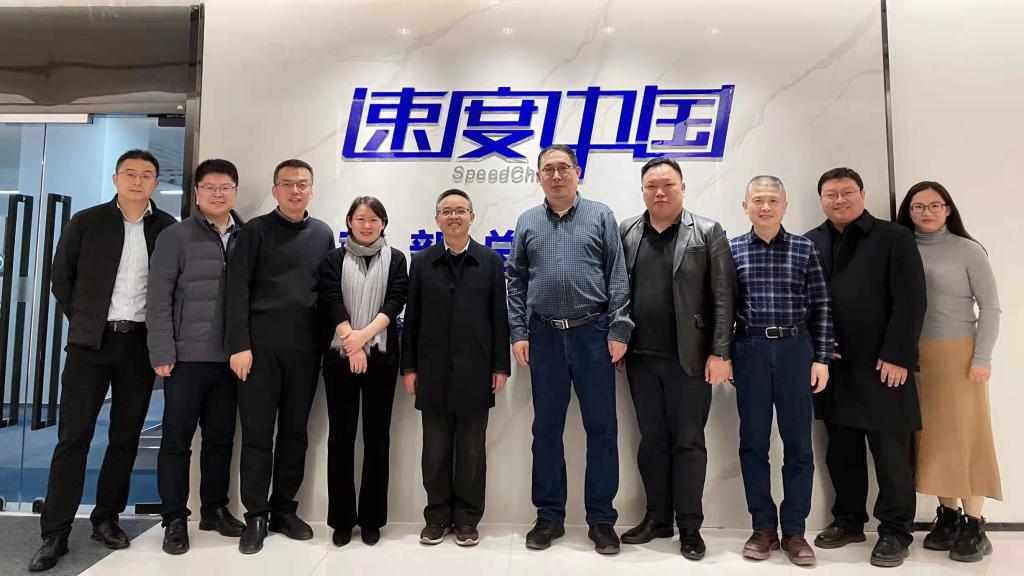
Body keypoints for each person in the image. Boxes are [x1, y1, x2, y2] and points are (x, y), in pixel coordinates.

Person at [29, 149, 177, 572]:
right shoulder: (87, 222)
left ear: (155, 183)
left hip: (138, 347)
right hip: (89, 346)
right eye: (130, 174)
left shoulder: (168, 229)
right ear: (116, 179)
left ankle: (106, 518)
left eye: (146, 175)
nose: (137, 181)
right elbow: (61, 277)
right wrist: (86, 320)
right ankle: (55, 532)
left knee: (125, 437)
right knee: (73, 437)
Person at [507, 144, 632, 555]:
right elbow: (515, 281)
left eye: (564, 167)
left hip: (594, 334)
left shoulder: (600, 215)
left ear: (577, 172)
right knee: (546, 429)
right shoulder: (527, 221)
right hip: (543, 336)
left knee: (602, 429)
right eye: (549, 169)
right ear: (538, 177)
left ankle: (601, 519)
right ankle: (549, 516)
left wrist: (619, 329)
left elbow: (617, 276)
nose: (557, 175)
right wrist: (518, 331)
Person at [805, 167, 926, 568]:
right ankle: (848, 520)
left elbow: (910, 300)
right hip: (834, 366)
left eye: (847, 193)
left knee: (891, 452)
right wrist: (818, 348)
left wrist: (899, 354)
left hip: (883, 363)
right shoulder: (811, 242)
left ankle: (895, 530)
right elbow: (805, 300)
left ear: (861, 194)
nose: (839, 200)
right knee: (842, 450)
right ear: (821, 200)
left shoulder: (894, 237)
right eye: (831, 194)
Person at [618, 157, 735, 560]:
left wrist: (721, 351)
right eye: (651, 186)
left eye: (668, 185)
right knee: (651, 441)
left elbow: (724, 297)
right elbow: (617, 292)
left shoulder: (706, 231)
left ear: (682, 188)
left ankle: (689, 526)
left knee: (688, 442)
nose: (660, 192)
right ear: (642, 191)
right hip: (640, 359)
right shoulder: (627, 231)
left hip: (690, 359)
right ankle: (656, 518)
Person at [226, 159, 334, 554]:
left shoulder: (322, 234)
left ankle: (284, 509)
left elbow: (328, 292)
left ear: (312, 190)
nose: (295, 190)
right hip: (258, 353)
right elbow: (236, 289)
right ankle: (256, 514)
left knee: (294, 435)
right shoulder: (254, 232)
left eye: (302, 184)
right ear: (275, 190)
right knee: (257, 435)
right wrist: (239, 345)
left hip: (304, 353)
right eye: (287, 184)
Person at [728, 176, 832, 566]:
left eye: (773, 200)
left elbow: (822, 305)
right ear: (746, 207)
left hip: (795, 350)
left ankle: (794, 532)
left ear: (784, 206)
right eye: (758, 200)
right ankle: (763, 528)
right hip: (750, 350)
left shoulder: (805, 249)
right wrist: (725, 355)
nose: (765, 207)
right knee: (753, 443)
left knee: (798, 445)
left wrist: (821, 358)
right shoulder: (732, 250)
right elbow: (724, 308)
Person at [896, 181, 1001, 563]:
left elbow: (991, 308)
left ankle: (974, 524)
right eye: (918, 206)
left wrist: (982, 357)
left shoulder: (967, 250)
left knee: (966, 438)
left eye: (934, 205)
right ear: (908, 211)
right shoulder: (901, 247)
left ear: (948, 209)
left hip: (959, 355)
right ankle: (949, 516)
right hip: (915, 356)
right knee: (933, 439)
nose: (927, 212)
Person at [146, 159, 246, 555]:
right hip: (185, 358)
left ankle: (214, 509)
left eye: (225, 187)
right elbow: (158, 298)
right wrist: (162, 351)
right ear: (197, 193)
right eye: (210, 187)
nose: (218, 194)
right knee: (176, 441)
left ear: (235, 191)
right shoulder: (175, 236)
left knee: (220, 439)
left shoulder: (247, 236)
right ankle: (173, 518)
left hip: (230, 360)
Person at [402, 189, 510, 547]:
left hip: (476, 369)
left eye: (460, 210)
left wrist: (500, 366)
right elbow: (412, 318)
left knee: (471, 450)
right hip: (431, 369)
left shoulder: (490, 261)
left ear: (472, 217)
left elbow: (499, 317)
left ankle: (466, 519)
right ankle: (436, 517)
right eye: (446, 211)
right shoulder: (422, 262)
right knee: (434, 450)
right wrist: (409, 367)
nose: (453, 216)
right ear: (437, 219)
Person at [318, 196, 407, 547]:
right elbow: (330, 300)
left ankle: (372, 519)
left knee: (377, 437)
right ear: (349, 222)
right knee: (340, 438)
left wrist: (362, 339)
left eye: (373, 219)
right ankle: (341, 520)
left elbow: (396, 300)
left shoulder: (396, 259)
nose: (366, 225)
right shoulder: (333, 259)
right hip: (338, 359)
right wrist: (351, 343)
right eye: (360, 218)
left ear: (383, 223)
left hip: (381, 358)